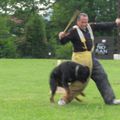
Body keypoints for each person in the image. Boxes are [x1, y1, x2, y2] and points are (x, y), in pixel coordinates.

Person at [58, 13, 120, 105]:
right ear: (78, 21)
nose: (84, 24)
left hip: (92, 58)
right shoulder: (73, 31)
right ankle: (64, 100)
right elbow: (63, 42)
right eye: (82, 22)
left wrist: (115, 23)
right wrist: (61, 36)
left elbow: (103, 25)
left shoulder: (90, 27)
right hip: (80, 60)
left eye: (86, 22)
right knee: (80, 83)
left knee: (101, 76)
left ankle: (110, 100)